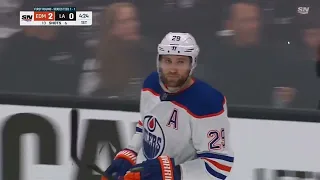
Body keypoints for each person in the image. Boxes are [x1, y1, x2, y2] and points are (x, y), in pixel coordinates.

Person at [101, 32, 234, 180]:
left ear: (193, 63)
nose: (172, 69)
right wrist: (130, 153)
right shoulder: (150, 84)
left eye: (181, 62)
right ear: (159, 61)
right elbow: (146, 124)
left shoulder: (207, 102)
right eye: (168, 61)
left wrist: (174, 173)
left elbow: (219, 165)